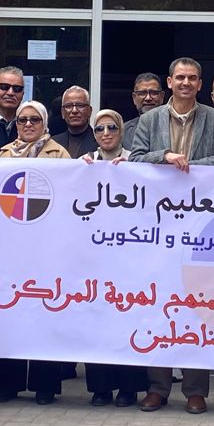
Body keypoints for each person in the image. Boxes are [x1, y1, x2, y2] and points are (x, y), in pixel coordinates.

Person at [129, 58, 214, 414]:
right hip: (159, 226)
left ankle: (195, 390)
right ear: (169, 81)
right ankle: (158, 388)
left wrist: (190, 167)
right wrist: (165, 156)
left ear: (200, 84)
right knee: (158, 304)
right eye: (180, 77)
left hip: (199, 227)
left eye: (192, 78)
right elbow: (136, 159)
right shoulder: (149, 120)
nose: (186, 83)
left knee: (198, 306)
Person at [0, 100, 72, 404]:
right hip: (11, 251)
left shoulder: (59, 154)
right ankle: (8, 383)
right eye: (22, 120)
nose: (27, 125)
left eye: (34, 120)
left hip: (47, 250)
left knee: (45, 315)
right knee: (10, 314)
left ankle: (45, 385)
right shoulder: (2, 155)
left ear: (44, 123)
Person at [77, 109, 145, 405]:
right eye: (100, 129)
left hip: (131, 256)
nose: (106, 134)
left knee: (129, 319)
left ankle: (129, 388)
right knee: (98, 321)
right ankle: (101, 388)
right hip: (96, 258)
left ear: (121, 131)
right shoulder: (84, 163)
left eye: (112, 128)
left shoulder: (137, 162)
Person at [51, 85, 96, 158]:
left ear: (89, 111)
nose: (74, 111)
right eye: (69, 106)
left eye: (80, 105)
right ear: (62, 112)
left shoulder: (101, 142)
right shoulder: (53, 143)